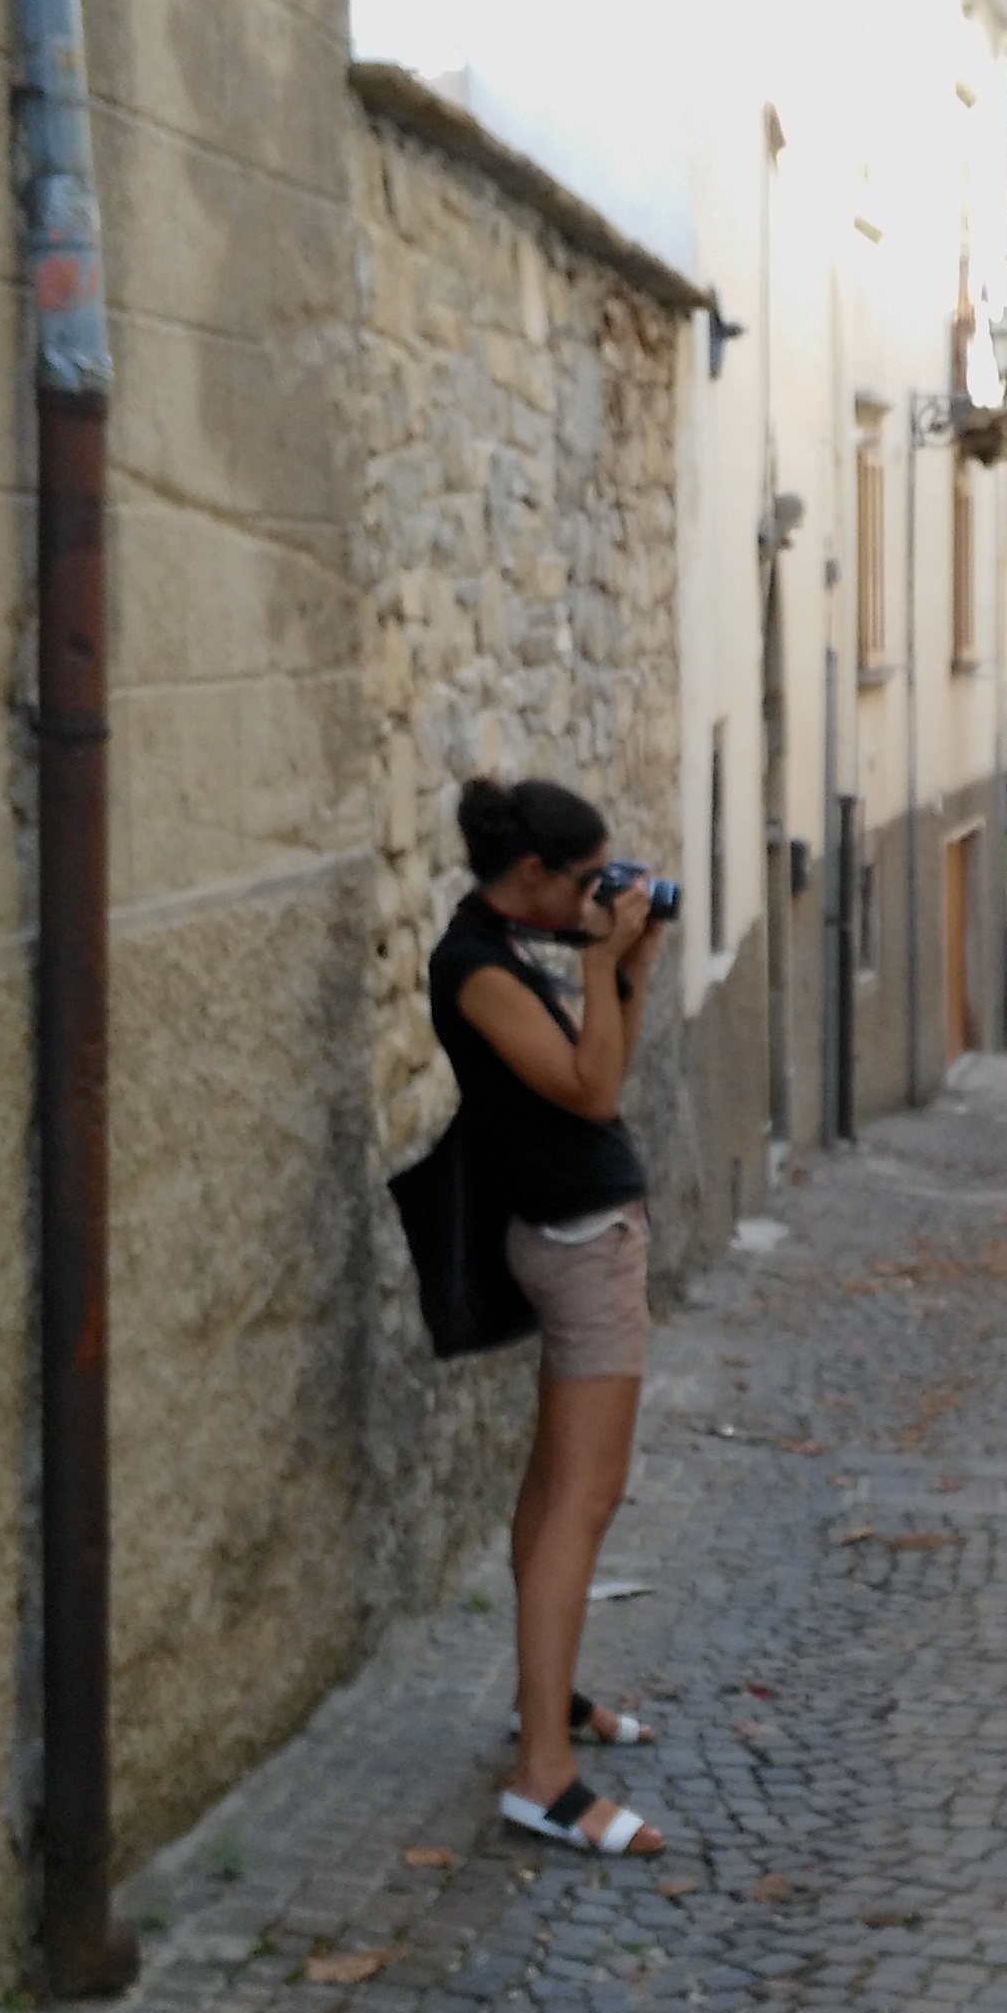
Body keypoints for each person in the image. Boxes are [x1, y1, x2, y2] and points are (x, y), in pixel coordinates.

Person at [429, 777, 669, 1858]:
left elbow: (600, 1063)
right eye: (584, 880)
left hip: (577, 1233)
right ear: (531, 873)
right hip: (579, 1245)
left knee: (551, 1488)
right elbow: (593, 1092)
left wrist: (627, 964)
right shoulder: (477, 967)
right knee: (587, 1495)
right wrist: (597, 960)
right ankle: (544, 1777)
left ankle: (548, 1700)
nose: (594, 896)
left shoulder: (506, 947)